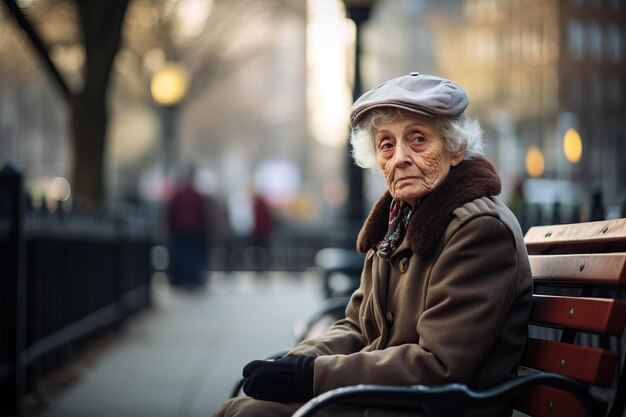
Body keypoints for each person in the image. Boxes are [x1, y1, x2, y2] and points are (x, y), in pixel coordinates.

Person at [211, 72, 533, 417]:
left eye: (418, 139)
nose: (400, 158)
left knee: (250, 415)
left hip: (431, 408)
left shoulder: (478, 230)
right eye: (387, 144)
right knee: (242, 407)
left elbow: (438, 366)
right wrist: (295, 363)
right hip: (388, 399)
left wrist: (310, 378)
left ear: (455, 148)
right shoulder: (401, 219)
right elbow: (358, 326)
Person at [166, 165, 210, 288]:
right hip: (194, 230)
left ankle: (181, 279)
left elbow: (171, 213)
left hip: (180, 230)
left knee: (181, 255)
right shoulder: (197, 196)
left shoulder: (179, 195)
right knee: (193, 256)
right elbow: (203, 215)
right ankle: (192, 279)